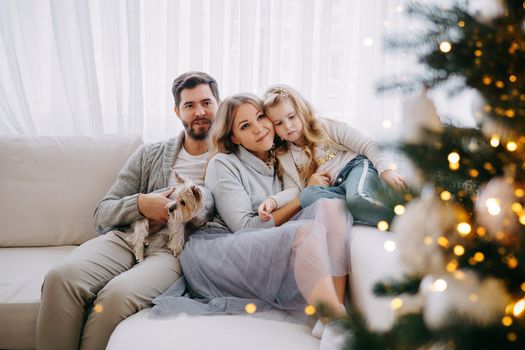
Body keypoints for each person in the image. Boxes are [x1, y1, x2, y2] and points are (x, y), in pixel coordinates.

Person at [35, 71, 220, 350]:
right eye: (189, 105)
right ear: (176, 111)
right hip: (126, 236)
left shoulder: (229, 160)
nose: (200, 112)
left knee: (117, 296)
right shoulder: (149, 154)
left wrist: (196, 206)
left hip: (173, 251)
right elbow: (102, 213)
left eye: (206, 103)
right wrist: (140, 204)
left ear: (219, 105)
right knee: (61, 278)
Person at [152, 93, 351, 349]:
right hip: (223, 248)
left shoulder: (280, 156)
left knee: (332, 206)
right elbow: (245, 228)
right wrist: (302, 198)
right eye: (245, 126)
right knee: (305, 231)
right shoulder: (222, 164)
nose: (259, 129)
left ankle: (334, 309)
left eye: (260, 117)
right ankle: (338, 323)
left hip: (264, 237)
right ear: (234, 137)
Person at [257, 84, 408, 226]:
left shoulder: (324, 127)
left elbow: (367, 144)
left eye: (291, 117)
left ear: (302, 112)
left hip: (354, 168)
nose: (288, 126)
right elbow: (293, 190)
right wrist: (273, 202)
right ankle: (358, 207)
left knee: (357, 198)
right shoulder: (285, 156)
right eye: (278, 123)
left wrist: (386, 171)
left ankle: (404, 223)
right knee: (307, 196)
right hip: (335, 188)